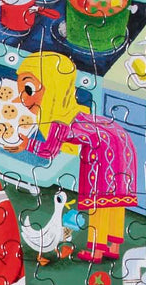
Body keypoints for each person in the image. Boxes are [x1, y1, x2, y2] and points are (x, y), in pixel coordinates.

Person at [18, 51, 138, 261]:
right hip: (122, 143)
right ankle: (113, 247)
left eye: (28, 89)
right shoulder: (72, 112)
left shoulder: (59, 119)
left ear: (52, 87)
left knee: (99, 202)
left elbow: (49, 150)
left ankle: (96, 250)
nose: (22, 98)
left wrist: (26, 144)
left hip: (105, 153)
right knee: (114, 201)